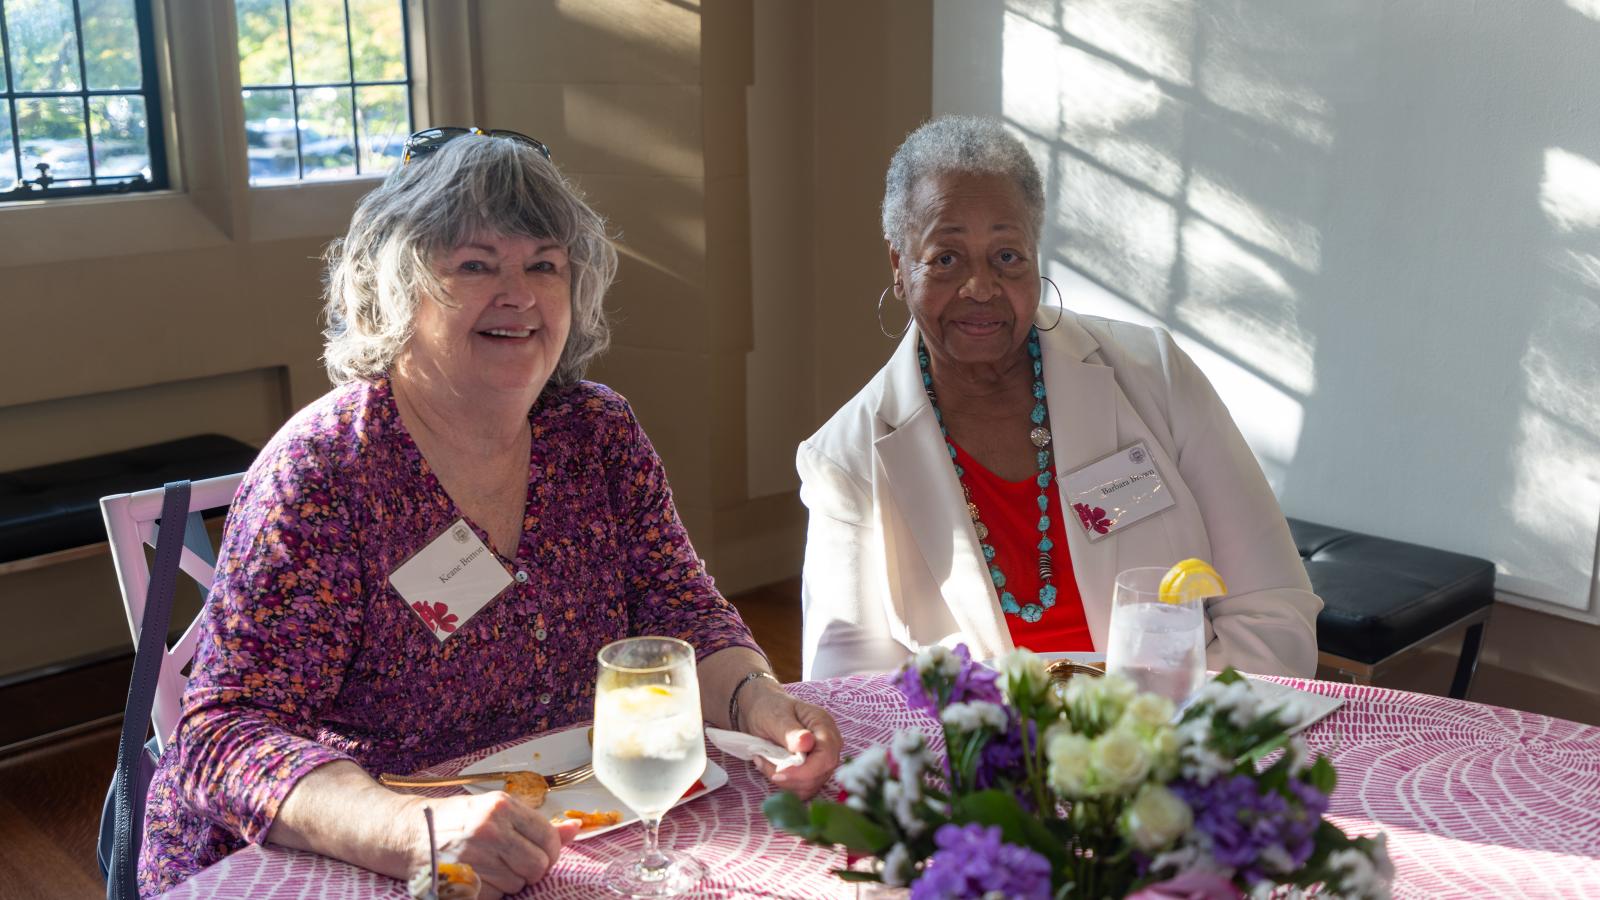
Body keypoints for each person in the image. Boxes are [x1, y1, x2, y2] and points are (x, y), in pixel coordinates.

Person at [139, 130, 841, 898]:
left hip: (559, 831)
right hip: (354, 848)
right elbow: (221, 734)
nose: (520, 295)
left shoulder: (594, 433)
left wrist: (760, 702)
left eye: (544, 264)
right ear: (396, 288)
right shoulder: (327, 471)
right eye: (475, 265)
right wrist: (412, 834)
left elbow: (681, 612)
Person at [797, 116, 1320, 681]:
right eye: (946, 258)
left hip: (1177, 737)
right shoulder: (846, 460)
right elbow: (850, 690)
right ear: (899, 266)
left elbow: (1273, 613)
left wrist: (1156, 736)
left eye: (1007, 256)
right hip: (985, 761)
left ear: (1035, 256)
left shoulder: (1155, 375)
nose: (981, 287)